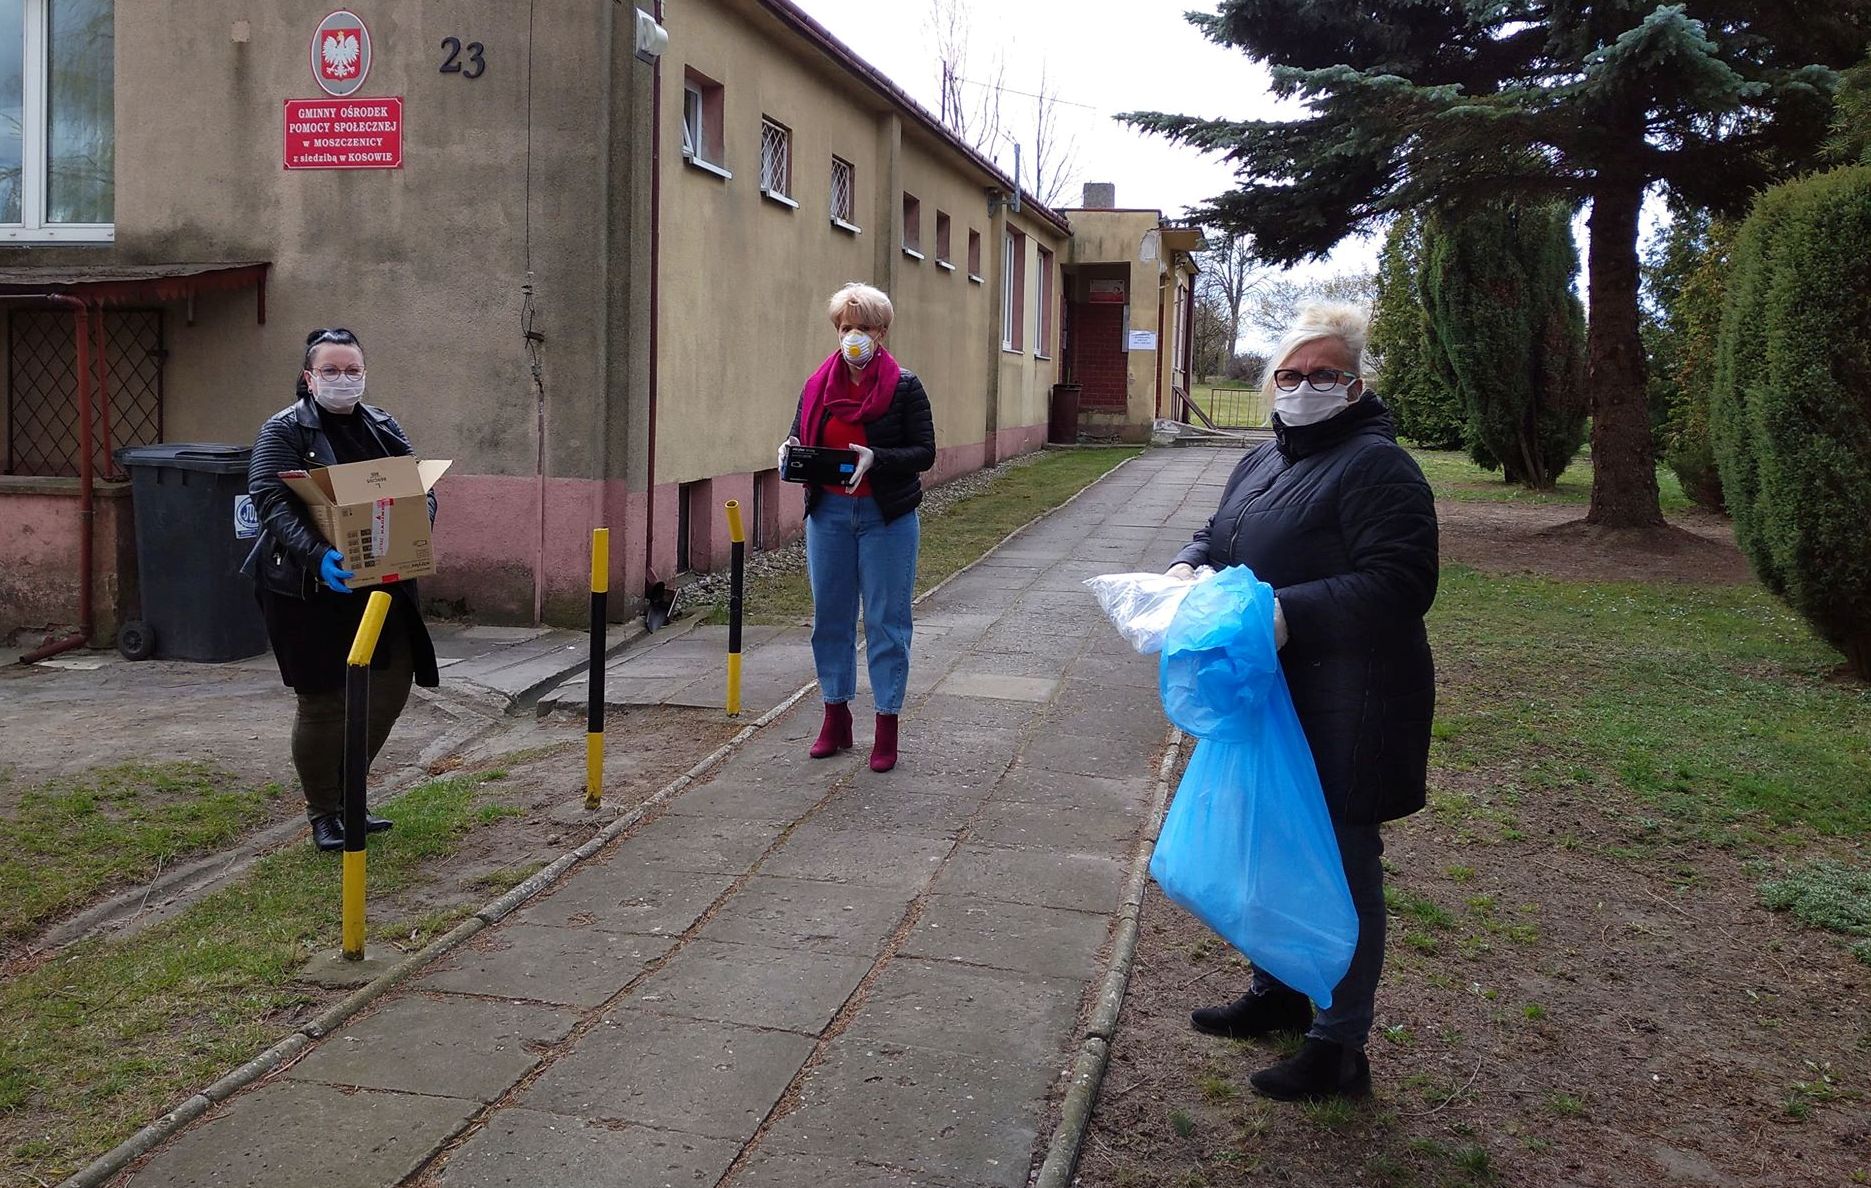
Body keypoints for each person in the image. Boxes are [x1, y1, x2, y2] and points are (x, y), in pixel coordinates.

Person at [1167, 303, 1438, 1101]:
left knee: (1339, 865)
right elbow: (1219, 534)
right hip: (1270, 694)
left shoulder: (1376, 465)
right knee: (1269, 844)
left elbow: (1401, 583)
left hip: (1352, 698)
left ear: (1354, 384)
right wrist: (1187, 566)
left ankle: (1338, 1046)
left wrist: (1286, 609)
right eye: (1288, 375)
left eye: (1322, 374)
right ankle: (1279, 990)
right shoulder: (1261, 460)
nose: (1303, 387)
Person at [243, 328, 441, 851]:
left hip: (382, 582)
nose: (342, 380)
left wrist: (414, 529)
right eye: (330, 371)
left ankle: (350, 793)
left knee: (392, 685)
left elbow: (420, 488)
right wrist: (318, 555)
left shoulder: (382, 424)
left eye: (352, 370)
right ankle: (325, 813)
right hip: (309, 586)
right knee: (324, 702)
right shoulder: (284, 429)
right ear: (309, 378)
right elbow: (268, 499)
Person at [780, 283, 935, 773]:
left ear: (882, 332)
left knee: (888, 622)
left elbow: (924, 452)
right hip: (828, 517)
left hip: (885, 519)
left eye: (863, 328)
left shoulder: (905, 386)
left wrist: (878, 458)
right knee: (831, 618)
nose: (853, 337)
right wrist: (789, 453)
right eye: (846, 328)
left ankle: (886, 726)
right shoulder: (816, 386)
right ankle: (836, 717)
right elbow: (800, 433)